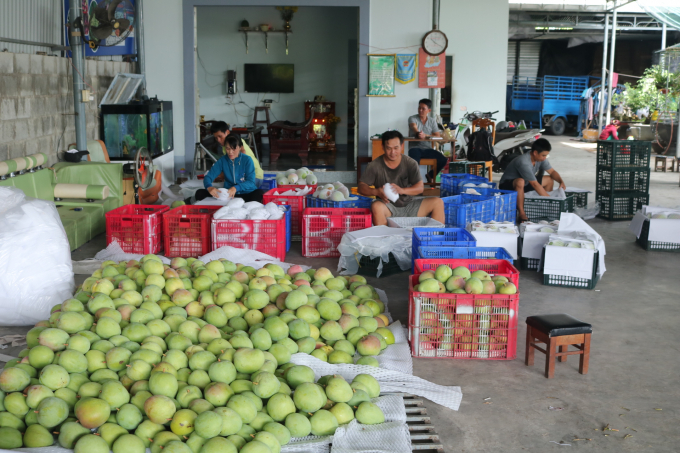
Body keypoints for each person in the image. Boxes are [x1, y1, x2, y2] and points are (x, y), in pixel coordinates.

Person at [359, 130, 445, 226]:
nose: (393, 152)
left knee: (438, 202)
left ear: (402, 146)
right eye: (389, 148)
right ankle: (384, 237)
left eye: (396, 148)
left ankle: (434, 238)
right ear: (383, 147)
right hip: (388, 207)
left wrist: (402, 190)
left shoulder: (410, 163)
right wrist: (376, 192)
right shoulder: (374, 165)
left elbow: (420, 188)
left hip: (411, 206)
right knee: (376, 206)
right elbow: (361, 186)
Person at [498, 138, 565, 222]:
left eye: (546, 155)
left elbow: (552, 172)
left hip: (526, 182)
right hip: (507, 186)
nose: (545, 158)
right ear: (535, 153)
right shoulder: (523, 162)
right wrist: (551, 200)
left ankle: (545, 210)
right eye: (543, 155)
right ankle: (522, 214)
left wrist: (561, 181)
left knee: (549, 179)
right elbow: (534, 184)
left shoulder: (540, 159)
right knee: (520, 181)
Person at [195, 134, 264, 203]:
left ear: (240, 147)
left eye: (234, 149)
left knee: (259, 193)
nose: (230, 152)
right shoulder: (222, 160)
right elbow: (208, 176)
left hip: (246, 194)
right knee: (199, 193)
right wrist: (209, 187)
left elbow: (251, 182)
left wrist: (236, 188)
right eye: (227, 148)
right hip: (228, 195)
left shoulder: (247, 160)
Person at [209, 121, 264, 187]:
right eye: (216, 138)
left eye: (220, 136)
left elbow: (242, 156)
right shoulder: (225, 147)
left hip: (254, 177)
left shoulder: (237, 141)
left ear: (227, 132)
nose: (218, 140)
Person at [407, 99, 448, 182]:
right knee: (414, 162)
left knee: (443, 159)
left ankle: (430, 175)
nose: (420, 110)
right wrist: (418, 133)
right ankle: (414, 182)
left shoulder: (432, 121)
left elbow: (437, 135)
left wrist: (425, 135)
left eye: (423, 108)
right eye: (419, 108)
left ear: (429, 110)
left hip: (427, 148)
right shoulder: (412, 118)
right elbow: (413, 127)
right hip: (414, 148)